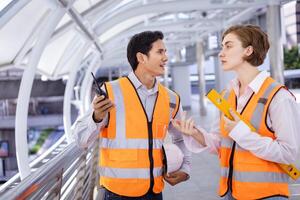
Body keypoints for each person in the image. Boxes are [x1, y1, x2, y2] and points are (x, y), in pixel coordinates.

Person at [172, 25, 300, 200]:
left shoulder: (279, 97)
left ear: (248, 50)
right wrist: (195, 134)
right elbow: (220, 144)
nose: (221, 53)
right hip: (232, 193)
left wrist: (242, 133)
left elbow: (289, 153)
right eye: (222, 46)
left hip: (267, 195)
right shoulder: (228, 95)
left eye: (228, 46)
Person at [73, 30, 191, 200]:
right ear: (141, 58)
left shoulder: (171, 99)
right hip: (117, 194)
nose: (166, 57)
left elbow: (182, 138)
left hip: (155, 192)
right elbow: (81, 139)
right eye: (160, 52)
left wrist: (185, 169)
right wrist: (96, 117)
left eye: (165, 52)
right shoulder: (110, 92)